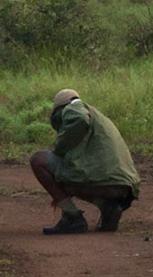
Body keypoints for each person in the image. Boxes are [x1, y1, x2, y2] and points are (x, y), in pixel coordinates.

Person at [29, 88, 140, 234]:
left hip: (103, 180)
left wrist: (59, 148)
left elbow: (79, 119)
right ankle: (108, 207)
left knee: (39, 160)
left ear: (60, 107)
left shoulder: (73, 108)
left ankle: (72, 217)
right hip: (124, 185)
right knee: (70, 170)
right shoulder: (100, 118)